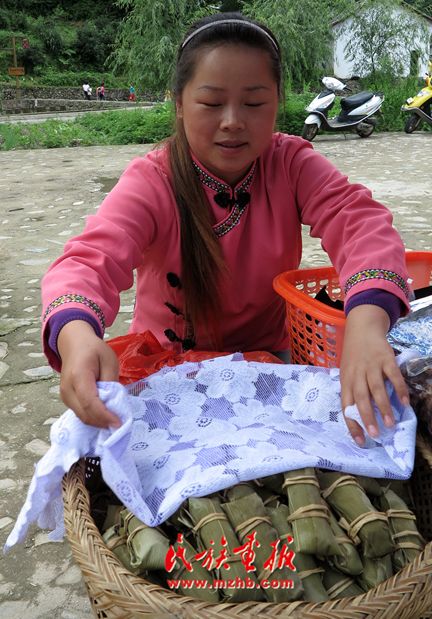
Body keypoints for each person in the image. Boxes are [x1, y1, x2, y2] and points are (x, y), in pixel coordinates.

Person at [41, 13, 410, 445]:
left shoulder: (290, 164)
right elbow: (89, 261)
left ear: (278, 102)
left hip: (269, 366)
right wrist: (76, 336)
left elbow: (359, 222)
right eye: (212, 103)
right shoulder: (152, 180)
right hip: (167, 369)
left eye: (254, 104)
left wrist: (366, 323)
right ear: (179, 104)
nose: (233, 121)